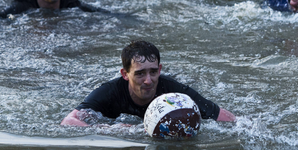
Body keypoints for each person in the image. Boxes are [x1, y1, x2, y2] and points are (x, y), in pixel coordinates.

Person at [60, 41, 236, 127]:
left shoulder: (174, 92)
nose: (148, 81)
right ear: (125, 74)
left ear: (160, 69)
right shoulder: (109, 92)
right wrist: (111, 130)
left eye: (153, 72)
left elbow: (222, 116)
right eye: (140, 73)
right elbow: (68, 121)